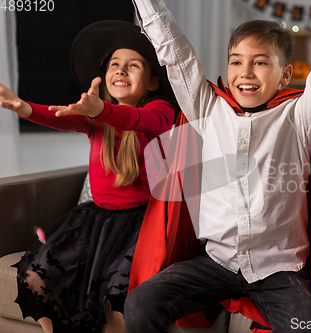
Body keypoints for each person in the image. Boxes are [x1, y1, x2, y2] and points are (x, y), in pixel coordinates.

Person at [124, 0, 311, 332]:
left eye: (260, 62)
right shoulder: (207, 109)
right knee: (140, 301)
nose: (245, 73)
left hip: (279, 271)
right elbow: (174, 51)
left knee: (308, 325)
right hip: (216, 263)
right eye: (236, 61)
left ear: (285, 75)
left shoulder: (300, 118)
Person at [0, 20, 178, 333]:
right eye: (114, 65)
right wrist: (24, 108)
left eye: (133, 65)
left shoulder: (160, 112)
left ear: (152, 82)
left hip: (142, 224)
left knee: (116, 297)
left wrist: (99, 111)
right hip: (94, 220)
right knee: (36, 278)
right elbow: (59, 116)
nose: (121, 71)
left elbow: (136, 118)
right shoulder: (98, 118)